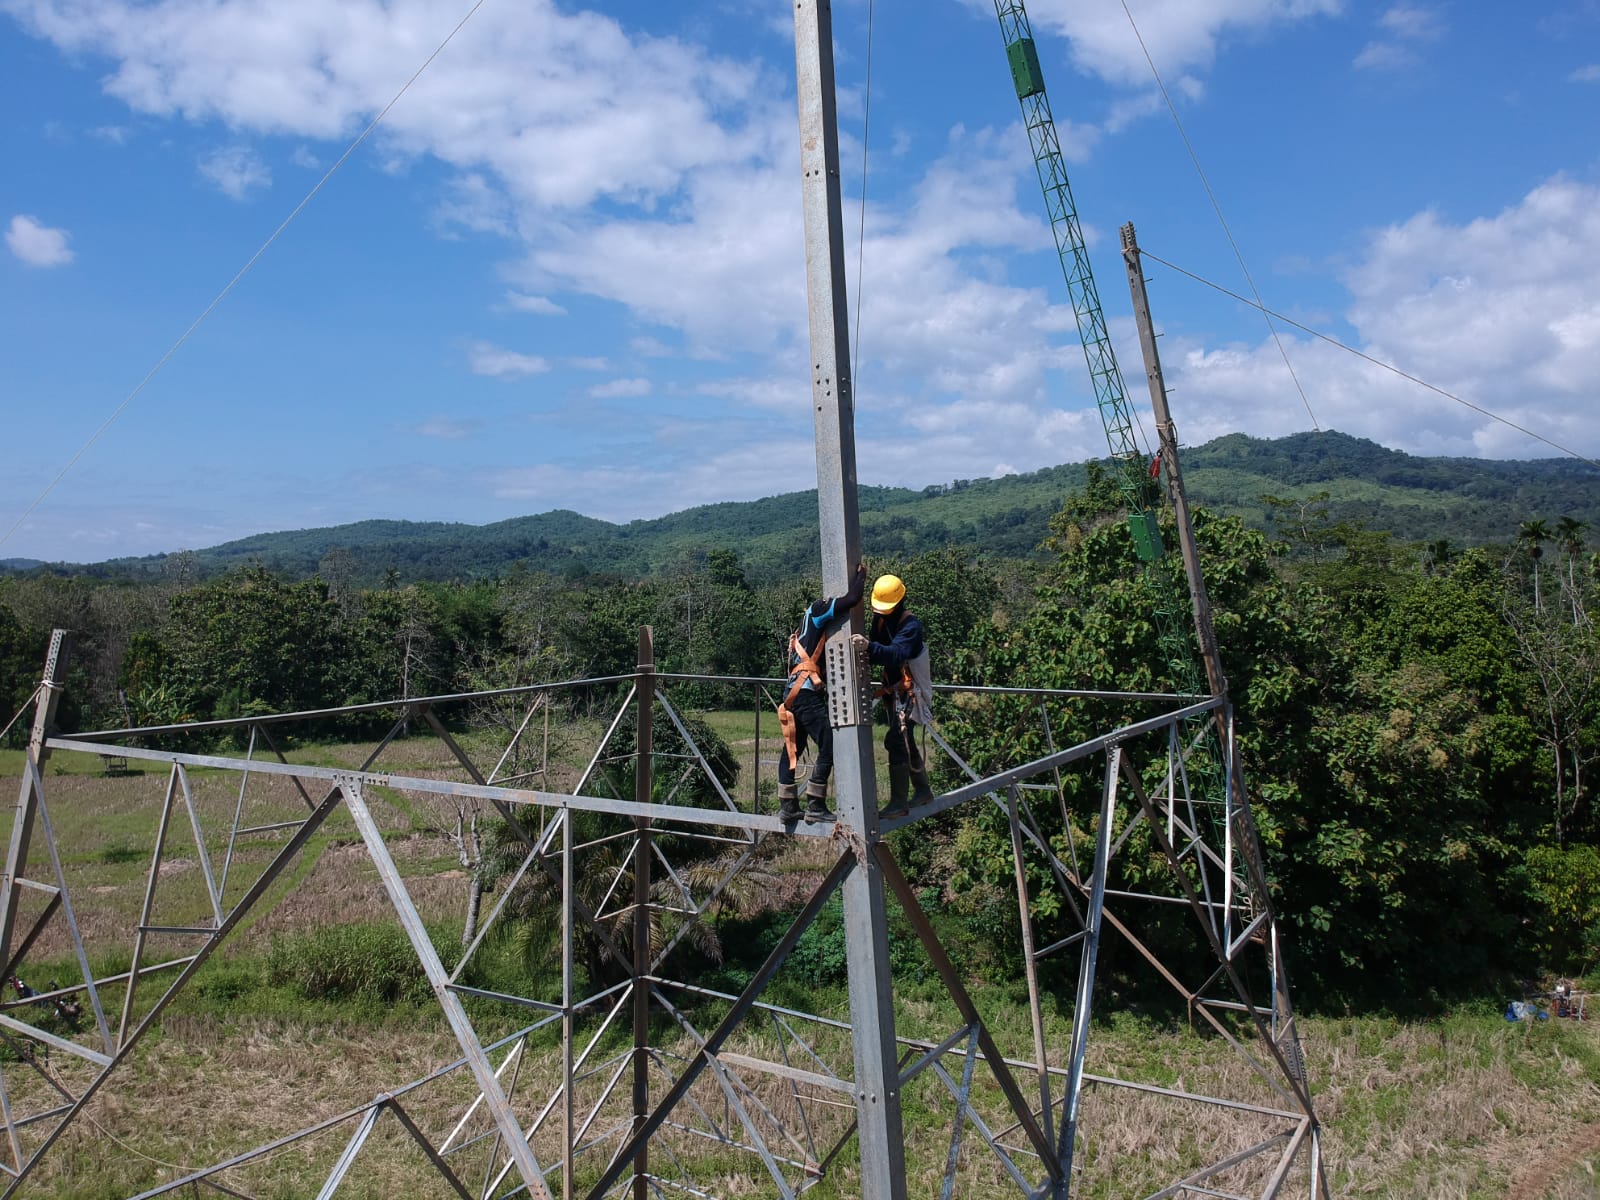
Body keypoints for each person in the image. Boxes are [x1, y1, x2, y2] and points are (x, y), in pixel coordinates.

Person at [776, 563, 867, 824]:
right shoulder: (817, 611)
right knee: (829, 742)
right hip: (804, 693)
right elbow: (851, 599)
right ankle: (815, 801)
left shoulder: (803, 629)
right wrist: (861, 576)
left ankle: (788, 805)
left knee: (794, 748)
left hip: (793, 692)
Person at [857, 573, 934, 818]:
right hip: (896, 691)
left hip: (914, 692)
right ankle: (922, 790)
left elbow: (896, 654)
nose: (881, 612)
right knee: (904, 740)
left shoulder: (911, 626)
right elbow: (878, 654)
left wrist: (868, 646)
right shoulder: (880, 621)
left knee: (896, 740)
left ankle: (899, 802)